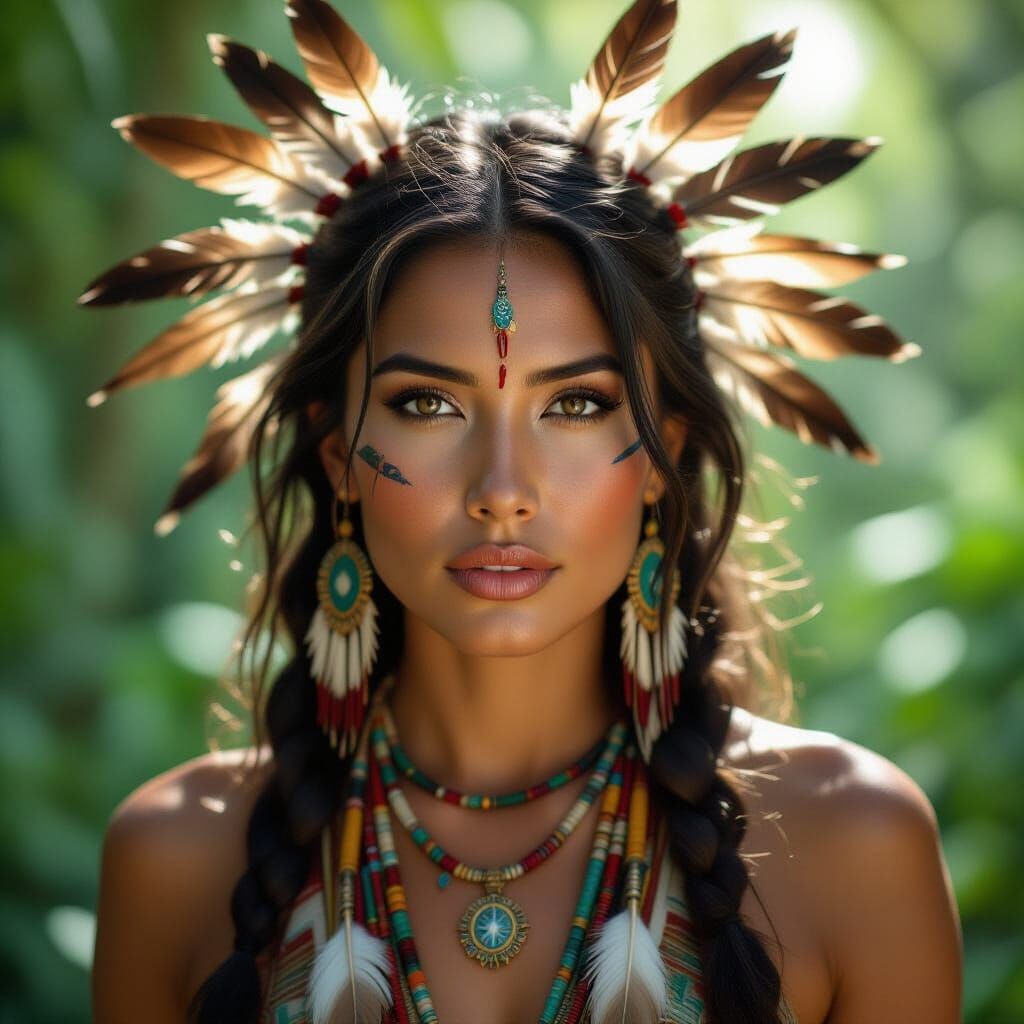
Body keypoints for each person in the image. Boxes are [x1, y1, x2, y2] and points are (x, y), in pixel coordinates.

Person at [85, 1, 962, 1022]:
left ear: (662, 455)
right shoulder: (173, 858)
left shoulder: (849, 842)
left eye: (577, 405)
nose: (502, 485)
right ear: (341, 456)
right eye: (428, 403)